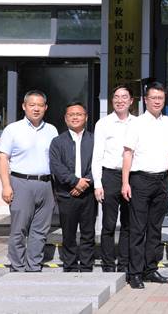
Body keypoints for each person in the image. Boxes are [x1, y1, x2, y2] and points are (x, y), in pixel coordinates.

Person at [0, 90, 59, 272]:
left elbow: (55, 160)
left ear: (46, 108)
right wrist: (6, 186)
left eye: (40, 105)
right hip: (21, 183)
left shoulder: (52, 130)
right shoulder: (13, 129)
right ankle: (17, 266)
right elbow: (2, 158)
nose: (36, 109)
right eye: (32, 105)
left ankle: (34, 266)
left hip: (46, 184)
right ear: (24, 106)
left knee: (40, 230)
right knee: (19, 229)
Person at [122, 81, 168, 289]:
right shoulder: (136, 123)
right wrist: (125, 182)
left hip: (162, 180)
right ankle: (134, 272)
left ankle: (150, 269)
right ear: (146, 100)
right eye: (153, 98)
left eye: (160, 98)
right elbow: (127, 154)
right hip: (140, 180)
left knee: (155, 228)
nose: (157, 101)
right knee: (137, 228)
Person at [49, 102, 96, 272]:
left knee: (88, 232)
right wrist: (75, 182)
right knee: (68, 233)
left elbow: (99, 164)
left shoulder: (94, 140)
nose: (75, 117)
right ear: (65, 118)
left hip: (89, 194)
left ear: (86, 117)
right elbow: (56, 166)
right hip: (67, 193)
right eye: (71, 114)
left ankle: (87, 266)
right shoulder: (57, 142)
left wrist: (85, 183)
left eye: (79, 114)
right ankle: (69, 266)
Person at [92, 85, 134, 273]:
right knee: (108, 224)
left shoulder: (138, 123)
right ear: (111, 101)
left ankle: (124, 263)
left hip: (132, 176)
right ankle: (108, 264)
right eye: (116, 97)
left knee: (128, 223)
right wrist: (98, 183)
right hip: (109, 175)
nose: (120, 100)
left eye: (124, 97)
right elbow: (97, 156)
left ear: (131, 101)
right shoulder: (103, 123)